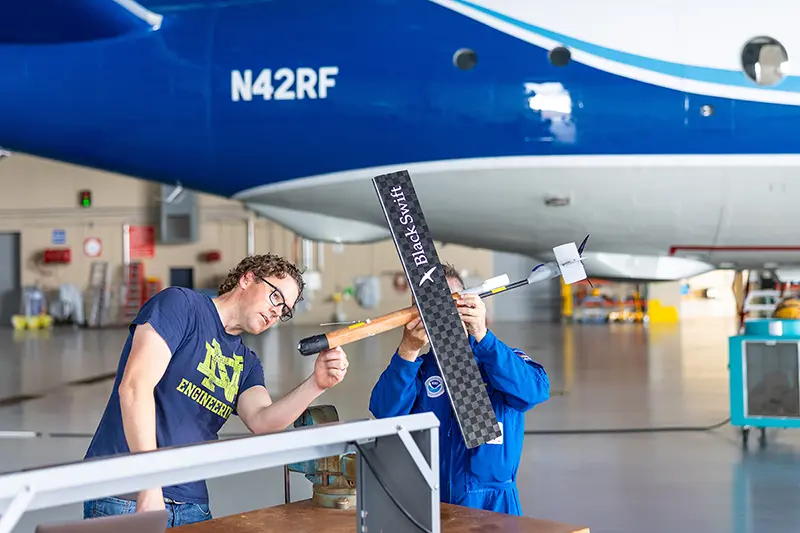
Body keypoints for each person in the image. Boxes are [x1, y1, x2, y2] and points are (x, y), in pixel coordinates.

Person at [82, 253, 349, 527]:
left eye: (285, 310)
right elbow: (134, 388)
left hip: (191, 504)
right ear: (248, 279)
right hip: (127, 492)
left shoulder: (247, 363)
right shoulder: (180, 306)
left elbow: (263, 422)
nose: (276, 312)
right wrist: (150, 485)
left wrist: (316, 384)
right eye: (276, 297)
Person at [368, 263, 549, 515]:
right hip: (432, 502)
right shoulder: (416, 370)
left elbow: (535, 392)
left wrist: (483, 337)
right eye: (424, 308)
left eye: (448, 303)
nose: (440, 316)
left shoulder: (499, 360)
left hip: (493, 502)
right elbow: (385, 412)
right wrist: (408, 350)